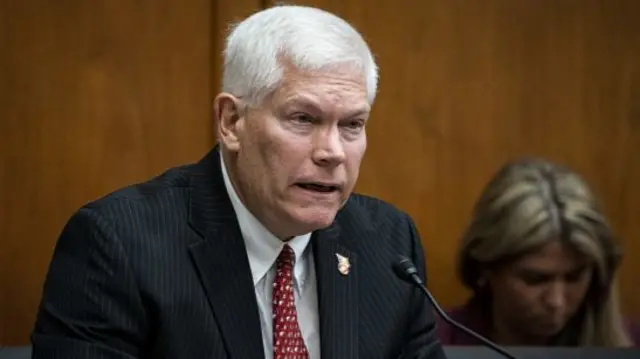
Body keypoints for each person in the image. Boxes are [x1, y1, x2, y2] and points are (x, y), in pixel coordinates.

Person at [31, 5, 446, 359]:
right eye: (303, 119)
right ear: (232, 121)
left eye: (352, 124)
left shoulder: (390, 243)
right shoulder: (118, 243)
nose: (332, 151)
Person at [437, 157, 639, 347]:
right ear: (485, 267)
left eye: (574, 277)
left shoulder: (632, 344)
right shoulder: (433, 345)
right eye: (535, 279)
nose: (556, 302)